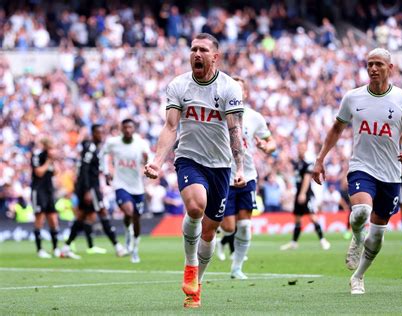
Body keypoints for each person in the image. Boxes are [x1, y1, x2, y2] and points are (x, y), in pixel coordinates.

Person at [144, 33, 246, 308]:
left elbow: (235, 129)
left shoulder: (228, 88)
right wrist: (157, 160)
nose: (196, 54)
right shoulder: (179, 85)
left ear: (215, 56)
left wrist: (240, 167)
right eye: (193, 49)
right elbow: (170, 126)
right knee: (195, 207)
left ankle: (196, 285)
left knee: (210, 231)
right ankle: (190, 266)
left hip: (221, 165)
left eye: (202, 50)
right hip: (189, 158)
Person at [312, 48, 402, 295]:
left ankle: (358, 276)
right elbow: (335, 129)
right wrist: (320, 160)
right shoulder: (353, 98)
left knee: (378, 234)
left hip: (391, 174)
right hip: (361, 167)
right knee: (361, 210)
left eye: (378, 64)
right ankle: (356, 236)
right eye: (369, 64)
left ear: (390, 68)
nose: (373, 69)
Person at [216, 76, 276, 279]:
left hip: (248, 176)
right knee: (228, 226)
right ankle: (218, 235)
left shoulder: (255, 117)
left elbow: (271, 142)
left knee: (244, 225)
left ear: (246, 93)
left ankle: (236, 268)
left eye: (239, 89)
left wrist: (266, 147)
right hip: (224, 175)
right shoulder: (218, 115)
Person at [61, 124, 127, 259]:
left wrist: (106, 175)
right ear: (93, 133)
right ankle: (118, 247)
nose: (101, 135)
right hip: (90, 187)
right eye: (98, 133)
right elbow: (84, 169)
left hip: (90, 186)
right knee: (102, 212)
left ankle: (66, 247)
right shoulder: (90, 147)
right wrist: (87, 190)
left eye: (102, 132)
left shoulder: (95, 148)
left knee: (82, 216)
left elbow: (91, 168)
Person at [101, 119, 151, 263]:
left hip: (137, 186)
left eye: (130, 127)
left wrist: (146, 160)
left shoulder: (141, 143)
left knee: (136, 217)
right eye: (125, 128)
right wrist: (106, 171)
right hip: (120, 184)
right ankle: (128, 232)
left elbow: (149, 160)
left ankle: (134, 248)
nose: (128, 130)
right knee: (129, 211)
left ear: (134, 129)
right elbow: (103, 154)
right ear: (121, 129)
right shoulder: (113, 142)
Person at [281, 142, 331, 251]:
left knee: (312, 217)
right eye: (299, 148)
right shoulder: (298, 164)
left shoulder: (308, 164)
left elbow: (307, 180)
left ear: (306, 149)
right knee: (297, 219)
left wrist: (303, 193)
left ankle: (323, 240)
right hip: (299, 193)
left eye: (302, 148)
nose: (300, 150)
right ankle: (294, 242)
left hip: (306, 194)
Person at [31, 137, 60, 258]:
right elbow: (39, 172)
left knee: (53, 220)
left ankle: (55, 248)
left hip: (49, 191)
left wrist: (53, 161)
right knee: (40, 219)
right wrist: (48, 161)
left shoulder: (52, 160)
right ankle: (40, 249)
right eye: (51, 149)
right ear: (46, 148)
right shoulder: (37, 156)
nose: (54, 151)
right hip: (38, 191)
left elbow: (56, 172)